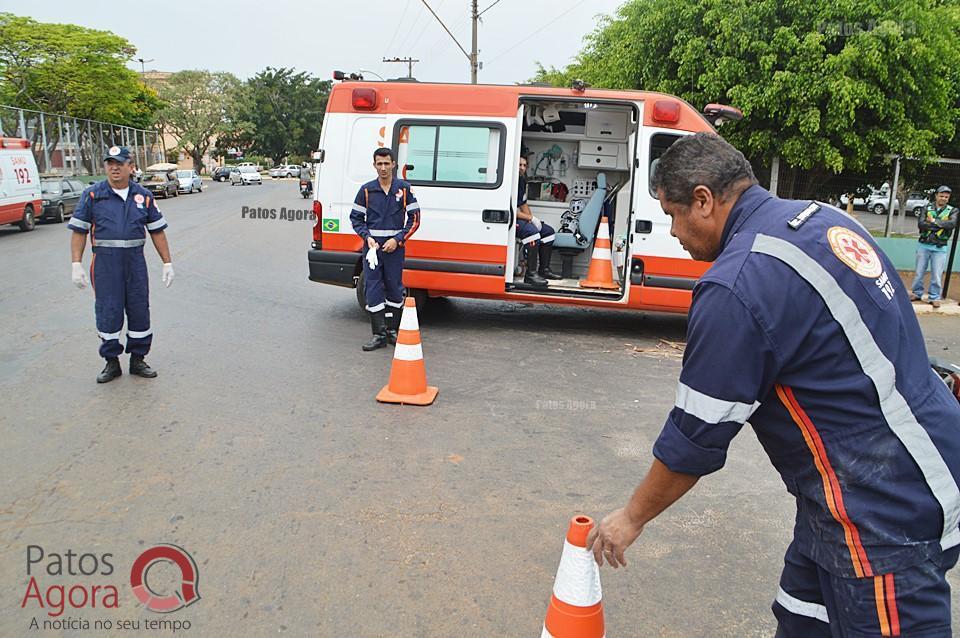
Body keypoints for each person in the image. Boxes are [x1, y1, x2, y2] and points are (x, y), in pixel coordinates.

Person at [587, 133, 960, 636]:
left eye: (673, 213)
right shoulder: (825, 220)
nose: (673, 231)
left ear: (704, 199)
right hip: (857, 488)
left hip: (880, 512)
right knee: (802, 621)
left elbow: (696, 435)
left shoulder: (739, 283)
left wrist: (630, 517)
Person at [68, 146, 174, 383]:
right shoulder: (93, 195)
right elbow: (79, 231)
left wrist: (167, 262)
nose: (114, 167)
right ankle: (111, 362)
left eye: (119, 163)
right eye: (109, 163)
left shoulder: (143, 196)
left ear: (130, 166)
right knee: (108, 311)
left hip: (135, 263)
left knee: (139, 310)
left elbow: (157, 231)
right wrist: (76, 264)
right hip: (106, 265)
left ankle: (137, 359)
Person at [349, 148, 420, 351]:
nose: (383, 168)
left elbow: (415, 219)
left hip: (394, 249)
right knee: (372, 288)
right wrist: (367, 237)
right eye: (379, 164)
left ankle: (392, 331)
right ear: (374, 165)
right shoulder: (366, 190)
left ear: (394, 164)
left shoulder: (404, 189)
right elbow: (355, 218)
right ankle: (378, 334)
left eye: (386, 163)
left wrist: (398, 240)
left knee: (395, 288)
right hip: (372, 250)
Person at [517, 156, 561, 286]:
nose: (522, 168)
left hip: (519, 217)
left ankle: (544, 270)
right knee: (532, 234)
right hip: (508, 219)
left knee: (548, 232)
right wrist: (530, 219)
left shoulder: (521, 180)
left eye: (525, 165)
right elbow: (513, 211)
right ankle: (530, 274)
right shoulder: (508, 179)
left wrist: (532, 220)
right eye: (519, 165)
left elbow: (523, 204)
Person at [910, 185, 956, 308]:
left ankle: (934, 297)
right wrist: (941, 225)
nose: (944, 198)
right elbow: (921, 224)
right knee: (919, 272)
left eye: (946, 197)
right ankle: (917, 293)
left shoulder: (953, 210)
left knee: (937, 274)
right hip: (924, 245)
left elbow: (951, 224)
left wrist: (934, 222)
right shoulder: (926, 208)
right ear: (936, 196)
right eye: (941, 196)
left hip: (940, 247)